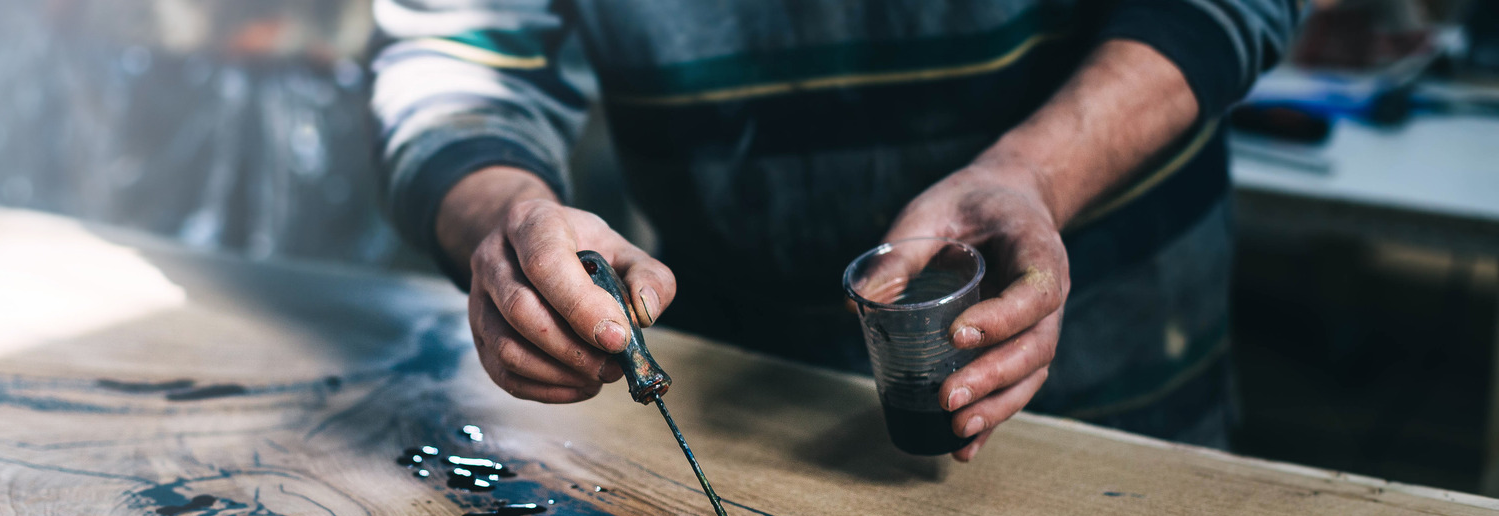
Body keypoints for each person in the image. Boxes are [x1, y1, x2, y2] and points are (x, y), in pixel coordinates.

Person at [372, 0, 1297, 460]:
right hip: (744, 413)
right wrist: (506, 218)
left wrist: (1038, 176)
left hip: (1115, 402)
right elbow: (455, 51)